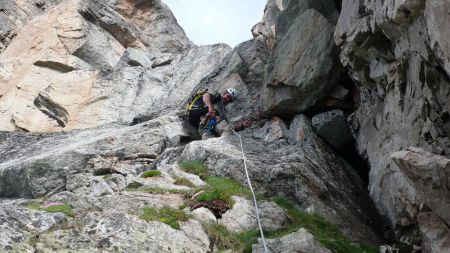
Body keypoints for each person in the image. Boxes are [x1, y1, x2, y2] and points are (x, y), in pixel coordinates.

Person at [187, 88, 252, 140]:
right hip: (205, 117)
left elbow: (227, 128)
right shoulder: (217, 96)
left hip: (204, 127)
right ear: (225, 92)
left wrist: (242, 126)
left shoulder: (223, 113)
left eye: (230, 100)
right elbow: (206, 96)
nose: (227, 99)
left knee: (209, 141)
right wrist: (210, 107)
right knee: (226, 130)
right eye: (228, 96)